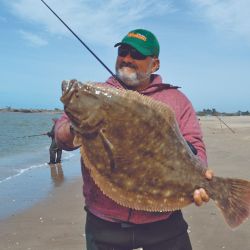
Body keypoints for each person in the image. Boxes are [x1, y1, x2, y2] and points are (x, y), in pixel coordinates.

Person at [55, 29, 213, 250]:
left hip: (164, 224)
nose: (127, 58)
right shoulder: (98, 92)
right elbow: (61, 136)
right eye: (123, 51)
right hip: (104, 223)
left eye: (137, 55)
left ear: (155, 64)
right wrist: (76, 127)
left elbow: (195, 145)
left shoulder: (176, 100)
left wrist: (199, 175)